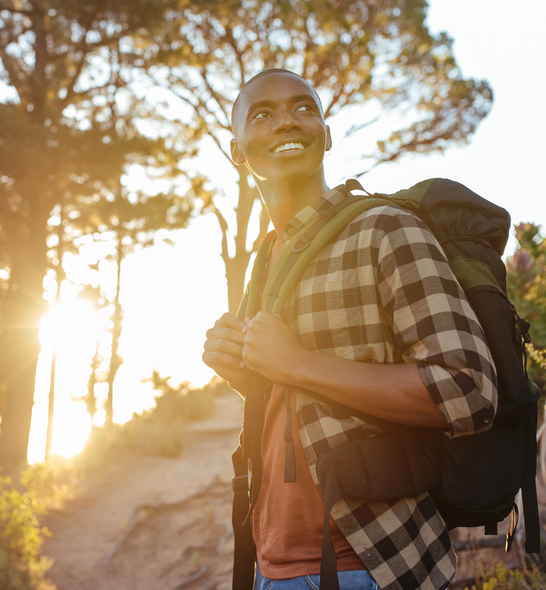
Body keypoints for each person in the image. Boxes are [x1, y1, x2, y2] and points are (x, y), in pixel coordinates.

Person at [202, 69, 498, 590]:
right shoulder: (264, 261)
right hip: (269, 562)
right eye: (263, 113)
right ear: (237, 152)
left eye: (304, 107)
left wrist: (296, 363)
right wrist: (241, 368)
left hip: (371, 565)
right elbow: (293, 396)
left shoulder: (384, 228)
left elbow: (469, 388)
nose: (287, 120)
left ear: (327, 134)